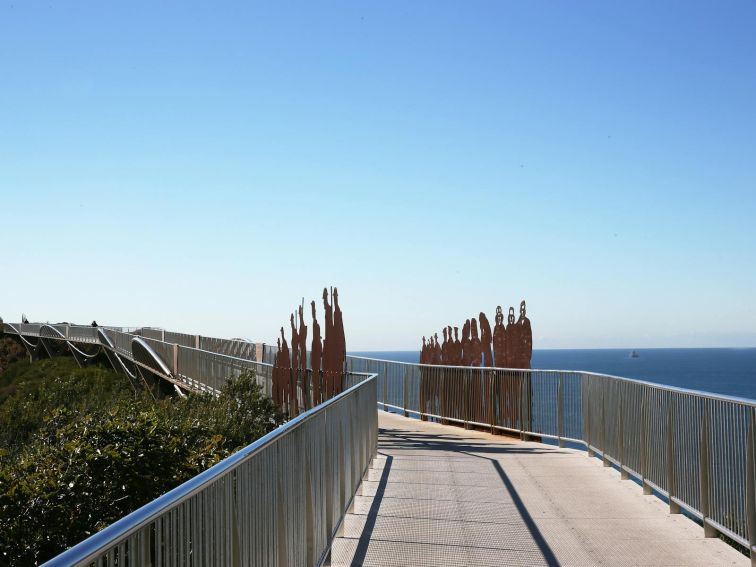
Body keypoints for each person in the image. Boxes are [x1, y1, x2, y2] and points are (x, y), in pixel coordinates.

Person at [333, 288, 346, 394]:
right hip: (335, 359)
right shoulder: (335, 313)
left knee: (338, 385)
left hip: (337, 358)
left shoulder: (336, 313)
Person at [310, 301, 322, 405]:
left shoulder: (315, 342)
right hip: (316, 366)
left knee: (316, 386)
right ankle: (317, 403)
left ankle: (316, 403)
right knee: (316, 386)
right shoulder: (316, 342)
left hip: (315, 366)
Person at [516, 301, 533, 369]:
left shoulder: (527, 321)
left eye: (524, 311)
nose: (523, 312)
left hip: (526, 352)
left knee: (527, 370)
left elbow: (530, 337)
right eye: (521, 310)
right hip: (519, 352)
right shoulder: (518, 323)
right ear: (520, 311)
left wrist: (529, 353)